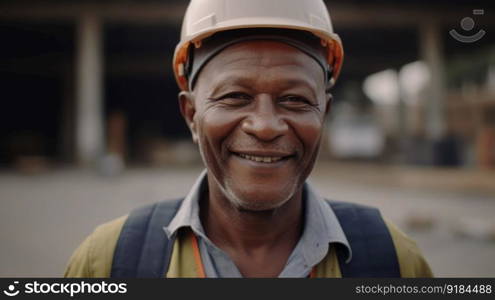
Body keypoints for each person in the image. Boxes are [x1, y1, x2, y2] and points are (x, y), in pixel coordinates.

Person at [65, 0, 433, 278]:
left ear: (325, 113)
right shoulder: (110, 262)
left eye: (295, 100)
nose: (265, 125)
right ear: (192, 115)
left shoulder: (392, 261)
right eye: (234, 97)